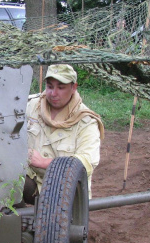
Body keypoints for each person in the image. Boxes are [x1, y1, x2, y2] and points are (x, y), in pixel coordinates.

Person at [24, 64, 104, 202]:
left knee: (59, 220)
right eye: (50, 86)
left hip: (66, 190)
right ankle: (15, 220)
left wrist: (44, 162)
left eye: (61, 88)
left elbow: (86, 163)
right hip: (35, 182)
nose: (53, 93)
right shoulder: (32, 106)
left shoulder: (86, 121)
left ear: (73, 88)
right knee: (1, 180)